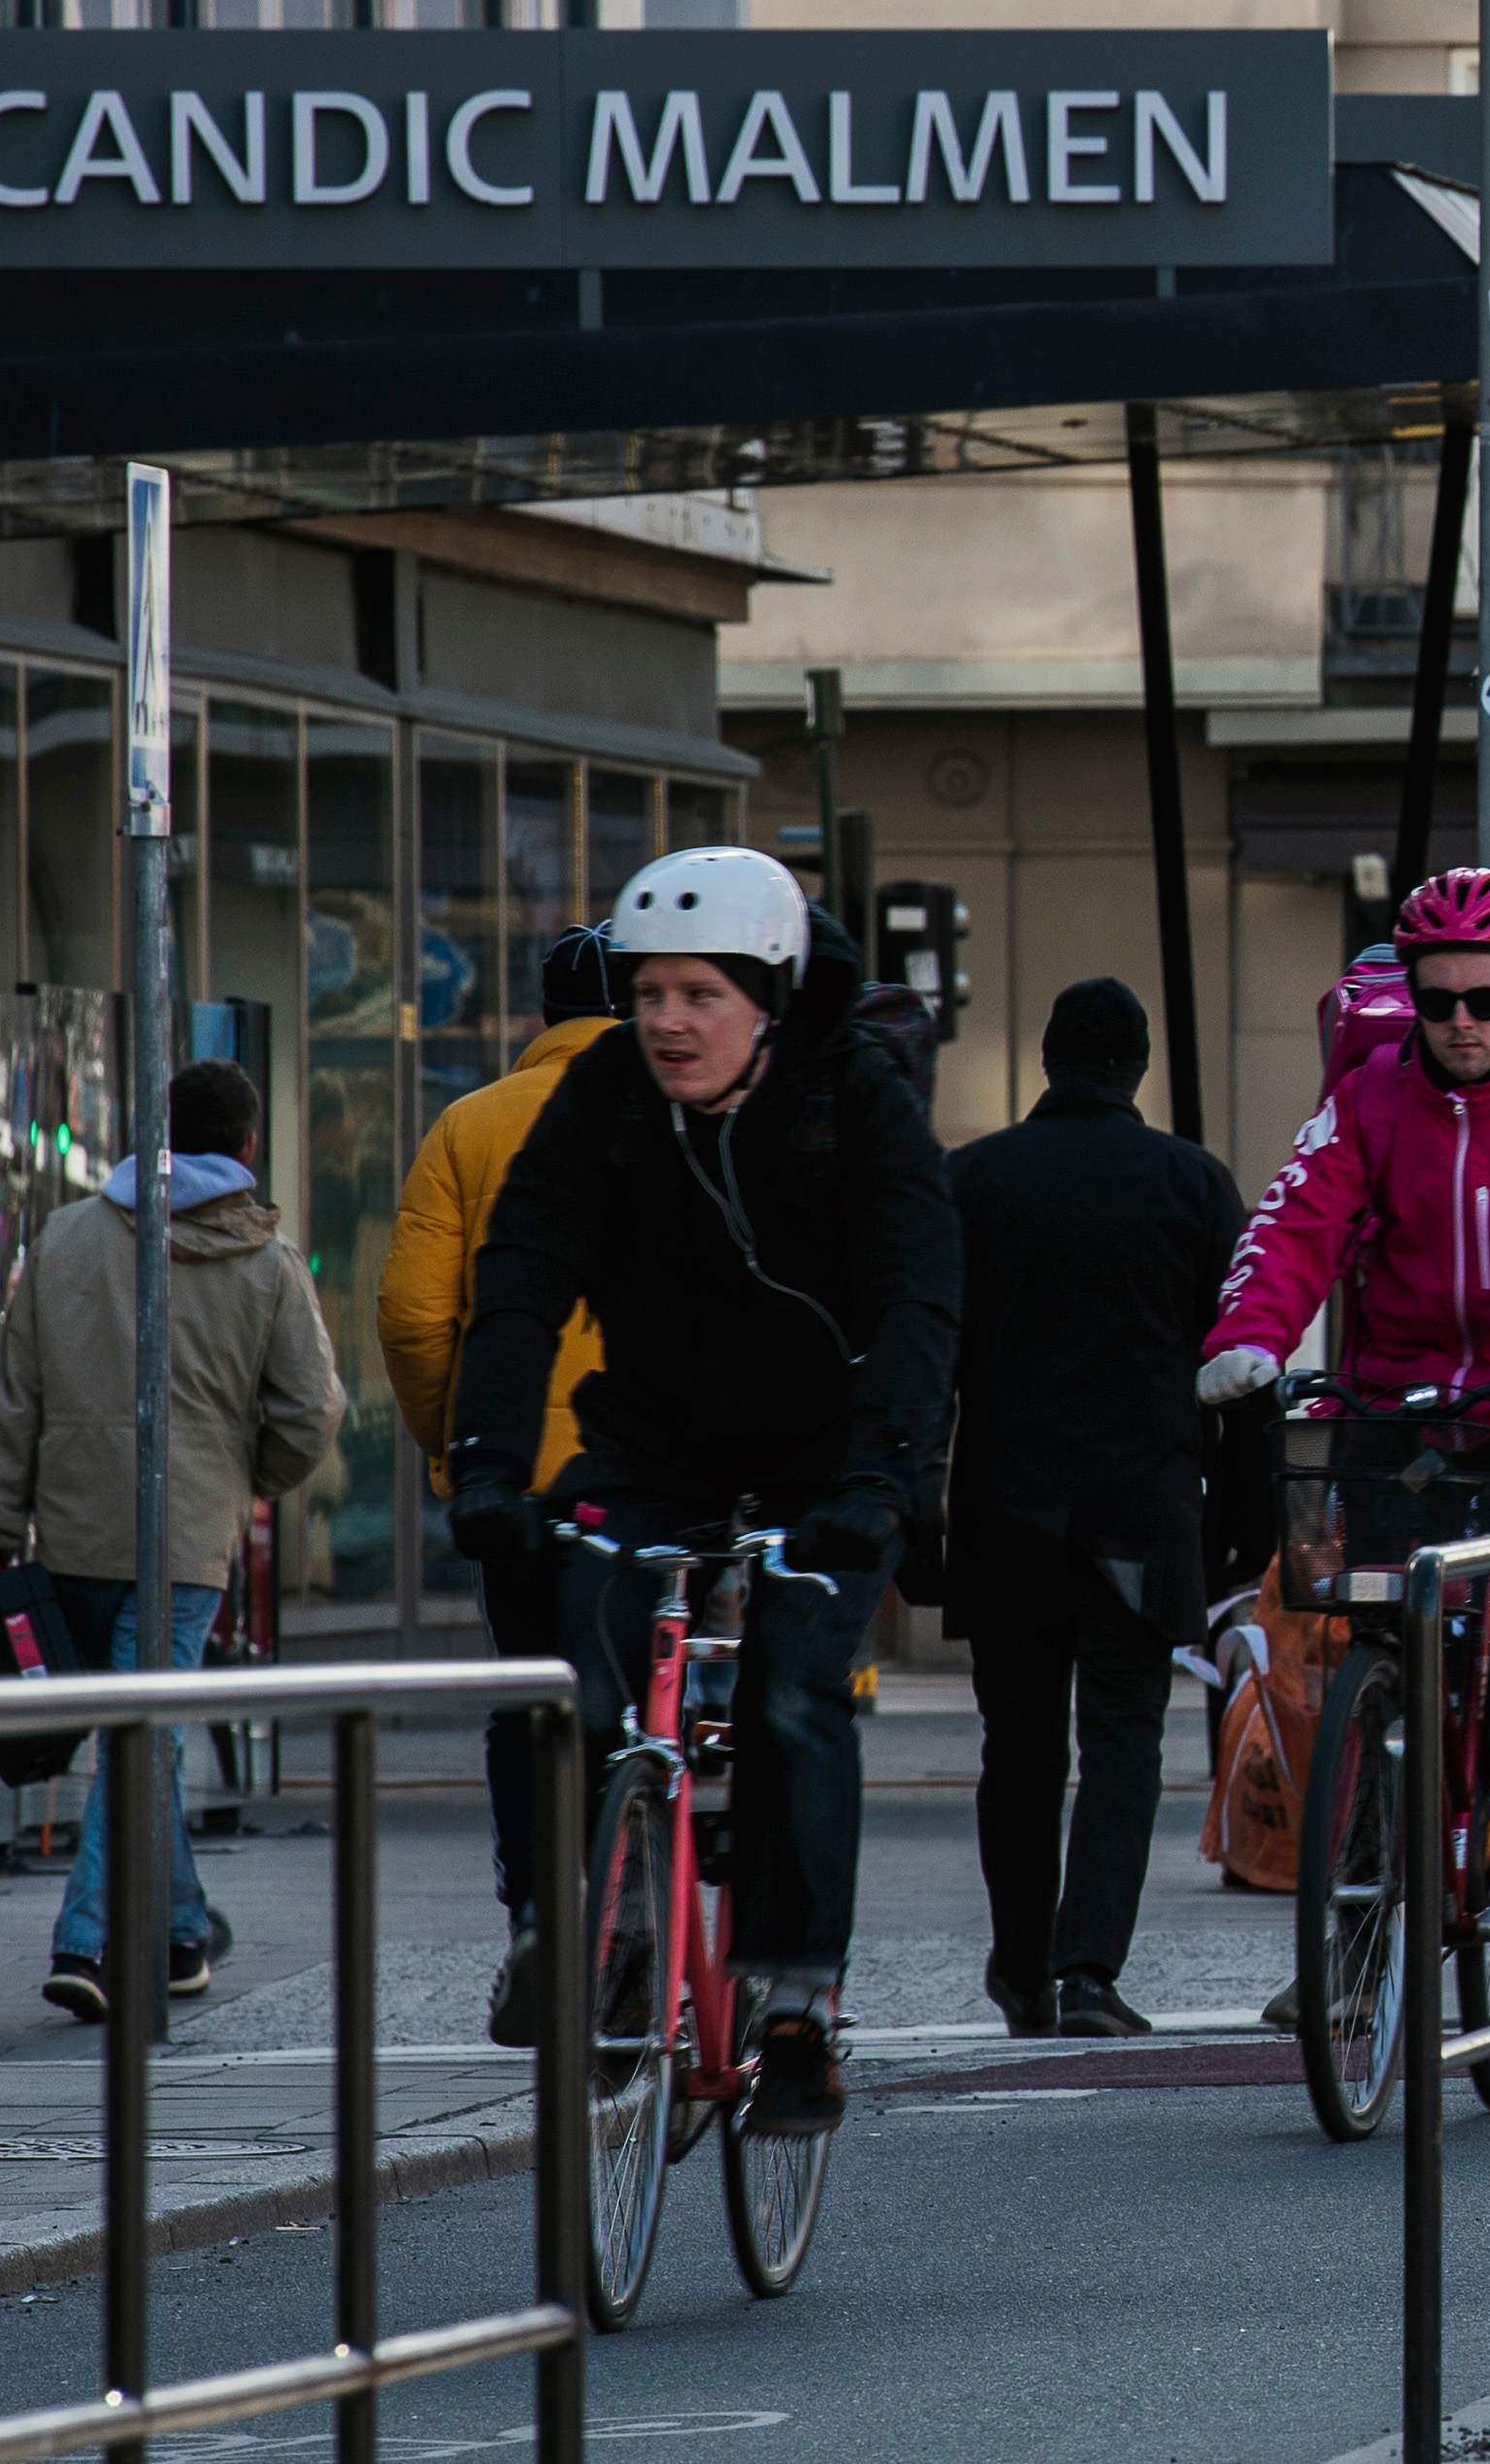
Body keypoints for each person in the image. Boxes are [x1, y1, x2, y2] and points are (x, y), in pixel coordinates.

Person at [445, 850, 960, 2137]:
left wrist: (882, 1478)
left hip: (826, 1453)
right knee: (581, 1665)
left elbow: (918, 1300)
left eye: (698, 994)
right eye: (647, 993)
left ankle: (794, 2004)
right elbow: (520, 1276)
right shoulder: (606, 1092)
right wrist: (490, 1466)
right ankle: (597, 1923)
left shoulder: (854, 1096)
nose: (665, 1021)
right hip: (655, 1438)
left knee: (791, 1691)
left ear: (768, 999)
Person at [1196, 867, 1490, 1874]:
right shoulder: (1365, 1100)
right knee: (1379, 1606)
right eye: (1437, 999)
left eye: (1485, 999)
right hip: (1399, 1385)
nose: (1460, 1021)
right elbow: (1294, 1221)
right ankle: (1374, 1842)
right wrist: (1250, 1335)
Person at [0, 1058, 342, 2022]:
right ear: (249, 1146)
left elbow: (10, 1399)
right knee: (147, 1739)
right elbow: (311, 1413)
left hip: (72, 1538)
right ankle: (88, 1940)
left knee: (143, 1737)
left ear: (157, 1132)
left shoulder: (65, 1238)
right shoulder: (268, 1262)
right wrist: (245, 1478)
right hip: (184, 1546)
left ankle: (182, 1930)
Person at [941, 979, 1242, 2039]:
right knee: (1122, 1745)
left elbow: (930, 1360)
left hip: (1005, 1508)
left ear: (1050, 1061)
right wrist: (1239, 1532)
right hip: (1139, 1511)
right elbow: (1237, 1363)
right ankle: (1087, 1972)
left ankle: (1021, 1966)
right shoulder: (1192, 1183)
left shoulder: (972, 1180)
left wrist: (915, 1520)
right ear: (1138, 1066)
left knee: (1017, 1748)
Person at [381, 923, 615, 2046]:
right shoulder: (673, 1117)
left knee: (527, 1699)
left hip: (516, 1478)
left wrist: (457, 1447)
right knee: (642, 1696)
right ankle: (633, 1908)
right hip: (642, 1475)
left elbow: (413, 1317)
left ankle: (533, 1916)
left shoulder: (469, 1126)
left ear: (539, 1015)